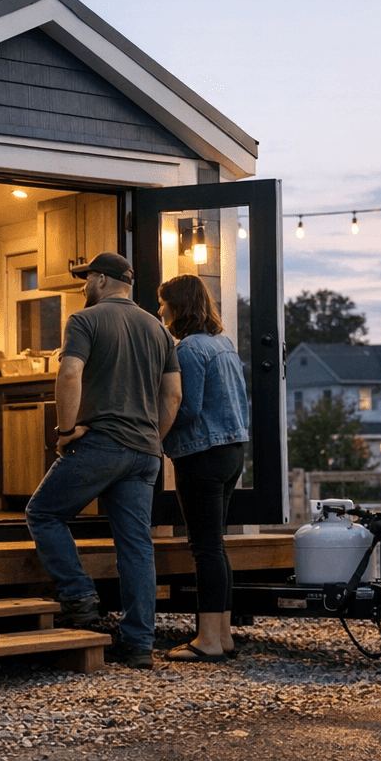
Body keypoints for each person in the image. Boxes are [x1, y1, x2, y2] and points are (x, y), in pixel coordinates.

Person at [25, 252, 182, 669]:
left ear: (99, 280)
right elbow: (173, 395)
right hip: (145, 453)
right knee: (136, 546)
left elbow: (69, 374)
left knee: (43, 512)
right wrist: (151, 439)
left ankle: (78, 597)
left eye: (86, 278)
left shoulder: (84, 320)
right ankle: (138, 645)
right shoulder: (159, 329)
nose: (83, 285)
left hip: (101, 443)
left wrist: (65, 431)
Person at [157, 273, 251, 663]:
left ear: (177, 307)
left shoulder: (189, 349)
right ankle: (222, 636)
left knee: (205, 548)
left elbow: (187, 407)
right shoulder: (222, 344)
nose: (160, 309)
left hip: (202, 454)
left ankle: (209, 640)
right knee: (215, 546)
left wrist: (152, 426)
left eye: (163, 302)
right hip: (231, 452)